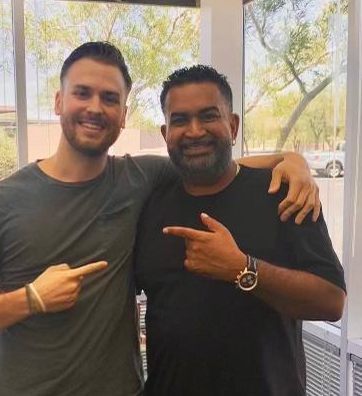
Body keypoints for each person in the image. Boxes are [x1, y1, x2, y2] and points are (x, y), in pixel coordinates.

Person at [0, 43, 320, 396]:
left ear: (123, 115)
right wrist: (31, 299)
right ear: (58, 101)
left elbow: (211, 164)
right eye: (82, 93)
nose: (95, 108)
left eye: (110, 98)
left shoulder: (141, 178)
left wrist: (290, 160)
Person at [134, 65, 346, 396]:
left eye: (208, 116)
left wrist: (241, 268)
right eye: (180, 120)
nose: (194, 131)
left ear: (232, 126)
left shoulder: (282, 193)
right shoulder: (148, 205)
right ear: (165, 134)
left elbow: (331, 301)